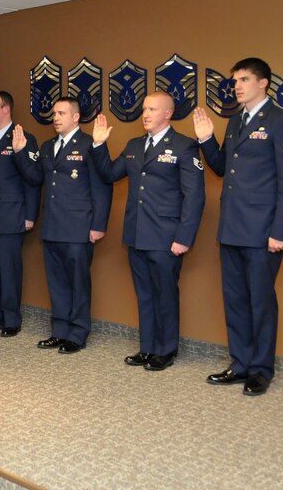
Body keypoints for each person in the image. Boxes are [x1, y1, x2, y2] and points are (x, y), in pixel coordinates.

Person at [193, 57, 283, 396]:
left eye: (243, 79)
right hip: (232, 228)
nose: (237, 86)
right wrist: (206, 139)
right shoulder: (235, 121)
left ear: (263, 83)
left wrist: (281, 232)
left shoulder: (282, 121)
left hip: (263, 231)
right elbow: (221, 167)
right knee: (236, 300)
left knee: (260, 301)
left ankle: (260, 369)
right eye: (235, 80)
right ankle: (240, 363)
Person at [91, 91, 205, 370]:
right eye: (144, 109)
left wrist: (184, 237)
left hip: (167, 236)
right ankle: (148, 347)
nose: (145, 114)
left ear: (167, 113)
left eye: (152, 109)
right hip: (137, 233)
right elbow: (109, 175)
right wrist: (98, 145)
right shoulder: (134, 144)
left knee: (165, 293)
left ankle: (166, 350)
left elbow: (195, 196)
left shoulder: (184, 146)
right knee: (144, 294)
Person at [15, 97, 112, 354]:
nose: (55, 118)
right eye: (54, 114)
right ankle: (59, 331)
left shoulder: (90, 144)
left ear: (76, 117)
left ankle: (78, 333)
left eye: (61, 113)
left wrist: (98, 225)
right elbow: (36, 178)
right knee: (56, 282)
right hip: (53, 225)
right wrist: (21, 152)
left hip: (79, 227)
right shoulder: (48, 147)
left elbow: (102, 187)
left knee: (78, 282)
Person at [0, 91, 40, 338]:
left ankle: (11, 319)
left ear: (6, 109)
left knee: (9, 271)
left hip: (11, 215)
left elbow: (34, 180)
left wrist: (30, 215)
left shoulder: (24, 138)